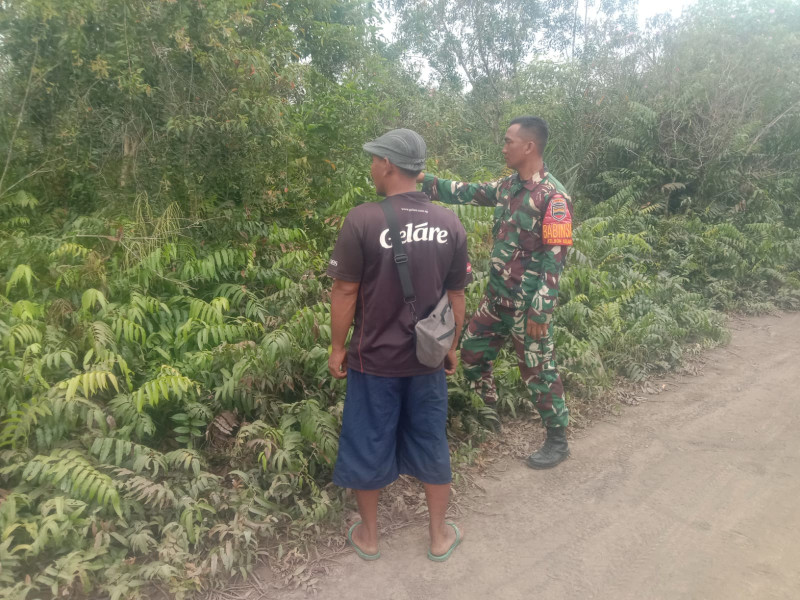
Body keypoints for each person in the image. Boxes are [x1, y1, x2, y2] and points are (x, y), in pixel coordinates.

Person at [327, 128, 468, 561]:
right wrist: (451, 346)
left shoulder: (363, 219)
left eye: (374, 159)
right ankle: (439, 536)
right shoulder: (450, 222)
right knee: (430, 442)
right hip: (427, 361)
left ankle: (369, 538)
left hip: (374, 361)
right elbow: (456, 295)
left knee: (368, 442)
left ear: (388, 165)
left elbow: (345, 292)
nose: (371, 166)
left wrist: (337, 348)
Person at [418, 116, 573, 470]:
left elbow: (555, 259)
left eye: (508, 141)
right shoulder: (508, 187)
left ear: (529, 146)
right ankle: (489, 413)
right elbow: (469, 192)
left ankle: (557, 439)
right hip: (496, 297)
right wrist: (427, 183)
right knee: (470, 354)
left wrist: (540, 309)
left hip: (527, 304)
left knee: (538, 370)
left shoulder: (554, 197)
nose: (503, 147)